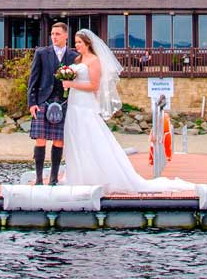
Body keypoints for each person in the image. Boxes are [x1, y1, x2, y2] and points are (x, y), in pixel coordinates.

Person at [61, 29, 192, 194]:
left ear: (88, 43)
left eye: (80, 42)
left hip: (85, 104)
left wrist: (70, 85)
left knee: (91, 137)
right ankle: (79, 176)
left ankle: (104, 176)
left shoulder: (95, 61)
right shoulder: (78, 59)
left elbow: (94, 86)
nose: (77, 45)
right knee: (75, 137)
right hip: (74, 103)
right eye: (76, 42)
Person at [26, 21, 78, 185]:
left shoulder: (74, 56)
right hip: (43, 100)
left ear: (65, 35)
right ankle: (39, 179)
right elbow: (33, 80)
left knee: (59, 141)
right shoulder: (42, 53)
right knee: (40, 139)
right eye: (52, 34)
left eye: (58, 34)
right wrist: (31, 103)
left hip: (64, 103)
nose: (54, 37)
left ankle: (54, 179)